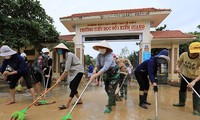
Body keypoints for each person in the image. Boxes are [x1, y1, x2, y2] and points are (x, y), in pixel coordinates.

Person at [90, 40, 120, 113]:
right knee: (106, 89)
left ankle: (109, 107)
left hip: (114, 74)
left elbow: (105, 67)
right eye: (100, 47)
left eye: (102, 47)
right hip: (107, 74)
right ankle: (112, 101)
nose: (101, 48)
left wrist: (95, 75)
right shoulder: (99, 56)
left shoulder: (110, 55)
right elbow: (98, 65)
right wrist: (95, 70)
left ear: (106, 48)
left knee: (111, 89)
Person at [174, 42, 200, 116]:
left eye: (197, 53)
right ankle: (181, 102)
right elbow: (178, 62)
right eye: (193, 53)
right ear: (189, 50)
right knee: (182, 88)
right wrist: (177, 67)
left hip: (197, 76)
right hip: (186, 74)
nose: (195, 54)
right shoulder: (184, 55)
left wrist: (194, 82)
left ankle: (196, 109)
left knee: (196, 91)